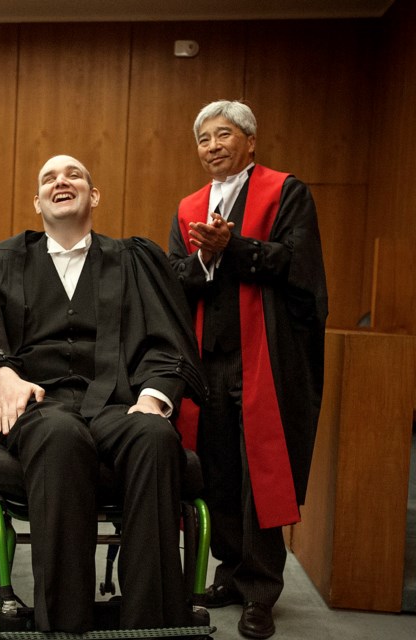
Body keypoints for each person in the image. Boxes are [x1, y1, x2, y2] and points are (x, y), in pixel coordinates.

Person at [0, 154, 205, 633]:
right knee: (60, 435)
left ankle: (151, 625)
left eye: (74, 174)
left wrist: (155, 396)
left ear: (93, 196)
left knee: (156, 437)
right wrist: (1, 375)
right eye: (49, 178)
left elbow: (165, 342)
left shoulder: (133, 261)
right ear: (37, 202)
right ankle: (64, 627)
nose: (62, 181)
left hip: (118, 402)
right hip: (35, 407)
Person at [168, 100, 328, 640]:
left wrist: (232, 248)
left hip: (264, 357)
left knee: (259, 475)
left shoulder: (286, 192)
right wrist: (205, 259)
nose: (213, 146)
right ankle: (231, 573)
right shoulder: (189, 205)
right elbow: (175, 277)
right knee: (216, 471)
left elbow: (296, 264)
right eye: (204, 139)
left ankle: (262, 591)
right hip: (207, 361)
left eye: (223, 134)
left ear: (251, 142)